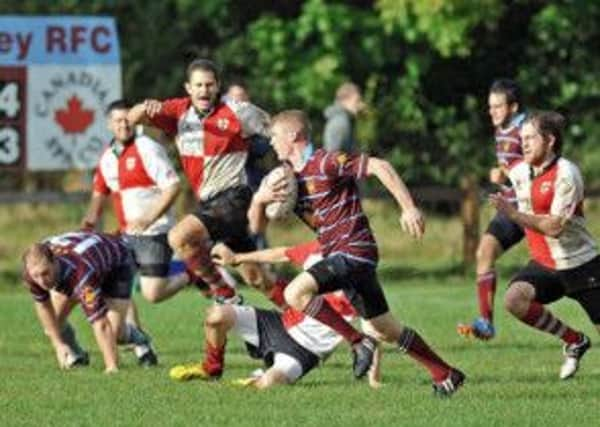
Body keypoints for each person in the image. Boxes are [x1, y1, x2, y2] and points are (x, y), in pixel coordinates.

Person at [249, 110, 464, 396]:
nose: (271, 143)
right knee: (385, 328)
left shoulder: (325, 161)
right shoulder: (288, 181)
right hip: (340, 257)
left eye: (275, 136)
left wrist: (408, 207)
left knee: (294, 293)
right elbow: (256, 228)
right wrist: (259, 200)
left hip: (354, 251)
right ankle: (445, 373)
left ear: (293, 136)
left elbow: (380, 166)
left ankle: (356, 341)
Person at [128, 59, 273, 301]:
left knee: (178, 237)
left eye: (209, 85)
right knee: (256, 278)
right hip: (210, 203)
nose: (204, 91)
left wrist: (288, 166)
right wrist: (145, 107)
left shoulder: (238, 111)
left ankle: (224, 293)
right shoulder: (178, 111)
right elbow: (132, 118)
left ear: (218, 86)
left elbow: (277, 127)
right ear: (188, 88)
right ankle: (300, 312)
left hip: (234, 198)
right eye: (199, 85)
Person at [169, 240, 382, 389]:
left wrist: (374, 379)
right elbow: (280, 253)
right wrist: (238, 257)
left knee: (269, 384)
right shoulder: (318, 249)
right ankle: (211, 368)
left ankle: (249, 383)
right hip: (278, 324)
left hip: (304, 352)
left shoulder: (359, 280)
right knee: (216, 316)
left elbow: (376, 331)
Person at [490, 111, 600, 379]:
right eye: (521, 138)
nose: (523, 143)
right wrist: (498, 175)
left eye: (530, 138)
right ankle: (574, 340)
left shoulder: (567, 174)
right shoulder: (519, 172)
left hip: (581, 264)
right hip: (544, 264)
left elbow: (554, 227)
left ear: (550, 140)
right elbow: (509, 171)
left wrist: (513, 214)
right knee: (514, 299)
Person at [82, 99, 192, 304]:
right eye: (118, 121)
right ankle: (134, 334)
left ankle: (192, 272)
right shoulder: (107, 157)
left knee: (152, 294)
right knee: (113, 287)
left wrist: (148, 218)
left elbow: (173, 186)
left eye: (128, 120)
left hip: (154, 231)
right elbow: (98, 195)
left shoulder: (147, 148)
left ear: (137, 121)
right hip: (125, 235)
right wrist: (87, 226)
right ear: (109, 124)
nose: (124, 125)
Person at [22, 231, 156, 372]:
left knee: (116, 333)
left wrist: (111, 367)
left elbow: (101, 323)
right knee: (52, 326)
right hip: (86, 261)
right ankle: (77, 355)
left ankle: (142, 341)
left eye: (45, 273)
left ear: (55, 261)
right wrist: (58, 345)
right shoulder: (32, 272)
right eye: (36, 276)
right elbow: (43, 306)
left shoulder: (81, 274)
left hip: (117, 264)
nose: (41, 281)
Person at [458, 79, 527, 340]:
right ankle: (486, 323)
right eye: (490, 107)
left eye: (498, 106)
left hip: (534, 211)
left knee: (565, 271)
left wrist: (506, 176)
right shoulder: (501, 130)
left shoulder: (527, 129)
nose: (492, 112)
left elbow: (537, 171)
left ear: (514, 107)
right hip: (510, 209)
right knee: (484, 252)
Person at [322, 82, 365, 153]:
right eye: (357, 100)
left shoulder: (343, 119)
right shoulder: (341, 122)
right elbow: (335, 156)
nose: (360, 105)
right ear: (345, 100)